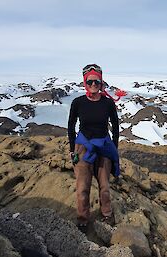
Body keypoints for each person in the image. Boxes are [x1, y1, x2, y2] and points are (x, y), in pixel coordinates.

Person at [68, 64, 124, 232]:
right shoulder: (78, 102)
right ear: (85, 82)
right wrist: (73, 149)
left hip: (103, 146)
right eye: (90, 81)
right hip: (83, 147)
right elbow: (71, 126)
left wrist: (113, 147)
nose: (93, 85)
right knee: (83, 187)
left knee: (105, 185)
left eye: (97, 82)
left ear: (101, 83)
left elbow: (115, 125)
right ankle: (83, 218)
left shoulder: (107, 103)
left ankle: (107, 214)